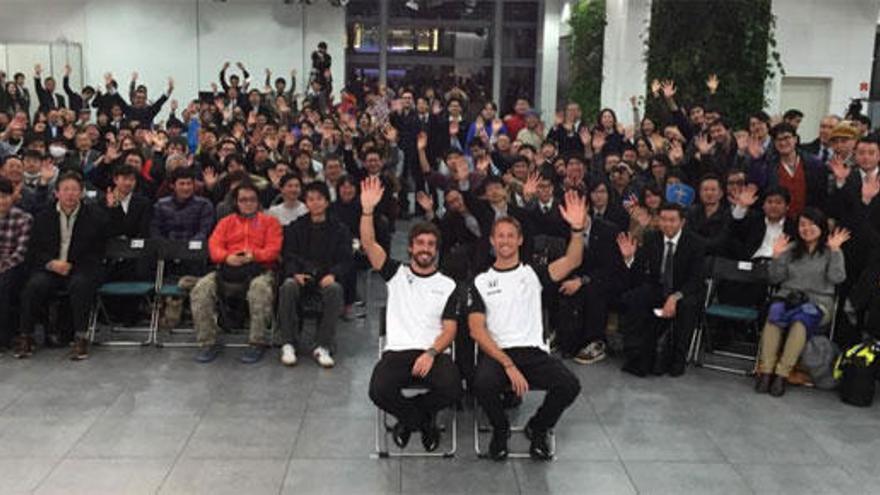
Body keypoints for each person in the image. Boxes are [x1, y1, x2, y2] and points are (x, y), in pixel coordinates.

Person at [467, 190, 585, 461]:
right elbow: (476, 330)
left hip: (532, 352)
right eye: (500, 236)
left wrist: (577, 230)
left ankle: (539, 427)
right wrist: (507, 364)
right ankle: (500, 430)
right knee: (482, 384)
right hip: (497, 354)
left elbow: (572, 261)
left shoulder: (533, 274)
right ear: (492, 241)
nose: (505, 241)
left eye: (511, 235)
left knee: (569, 385)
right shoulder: (481, 281)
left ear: (520, 240)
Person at [361, 177, 462, 452]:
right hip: (398, 352)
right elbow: (369, 245)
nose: (425, 248)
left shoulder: (449, 285)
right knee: (378, 390)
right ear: (410, 248)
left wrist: (430, 353)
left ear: (436, 250)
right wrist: (367, 211)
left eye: (431, 244)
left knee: (453, 389)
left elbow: (450, 330)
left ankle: (409, 420)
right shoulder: (396, 274)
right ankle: (423, 422)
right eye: (420, 243)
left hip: (434, 352)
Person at [14, 172, 108, 360]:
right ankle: (26, 336)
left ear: (81, 193)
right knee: (34, 286)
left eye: (74, 190)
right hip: (51, 267)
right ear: (56, 193)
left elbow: (97, 252)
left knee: (80, 285)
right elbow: (34, 250)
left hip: (81, 267)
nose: (70, 194)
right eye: (65, 189)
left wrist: (71, 265)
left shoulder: (95, 217)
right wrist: (51, 263)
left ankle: (81, 337)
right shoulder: (43, 216)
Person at [755, 208, 848, 397]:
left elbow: (837, 278)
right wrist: (777, 256)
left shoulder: (830, 251)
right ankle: (765, 372)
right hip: (789, 298)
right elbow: (774, 278)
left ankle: (782, 374)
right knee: (774, 315)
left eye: (811, 224)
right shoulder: (791, 249)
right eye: (802, 225)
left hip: (819, 302)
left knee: (800, 320)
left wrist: (836, 250)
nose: (806, 229)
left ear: (821, 226)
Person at [190, 182, 282, 364]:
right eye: (243, 200)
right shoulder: (226, 223)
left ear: (258, 202)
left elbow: (274, 249)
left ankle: (257, 342)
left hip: (260, 269)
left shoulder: (270, 222)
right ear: (236, 202)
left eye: (252, 200)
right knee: (200, 289)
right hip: (227, 268)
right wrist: (227, 257)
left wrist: (253, 256)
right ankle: (208, 342)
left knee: (260, 289)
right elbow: (213, 247)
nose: (248, 203)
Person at [616, 203, 706, 378]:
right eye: (663, 220)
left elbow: (696, 279)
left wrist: (675, 297)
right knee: (635, 297)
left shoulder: (695, 243)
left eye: (672, 220)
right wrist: (629, 258)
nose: (667, 224)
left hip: (685, 291)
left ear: (682, 222)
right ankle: (636, 353)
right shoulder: (652, 238)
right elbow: (639, 273)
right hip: (658, 287)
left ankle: (678, 359)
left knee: (687, 306)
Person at [277, 182, 353, 368]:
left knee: (334, 289)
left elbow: (346, 260)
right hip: (302, 276)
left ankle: (323, 345)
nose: (315, 203)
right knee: (287, 286)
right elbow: (289, 255)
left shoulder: (340, 229)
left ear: (327, 202)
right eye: (311, 199)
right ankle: (288, 343)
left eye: (319, 199)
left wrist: (333, 274)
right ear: (306, 202)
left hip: (326, 277)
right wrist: (295, 273)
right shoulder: (296, 227)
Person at [0, 177, 32, 350]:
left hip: (14, 266)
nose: (1, 201)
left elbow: (21, 252)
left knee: (3, 284)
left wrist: (3, 267)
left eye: (5, 196)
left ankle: (4, 337)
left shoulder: (23, 218)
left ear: (12, 197)